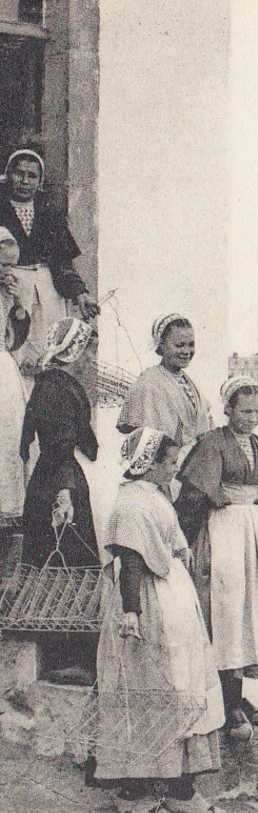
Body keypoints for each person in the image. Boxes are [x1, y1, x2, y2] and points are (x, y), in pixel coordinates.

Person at [90, 428, 225, 813]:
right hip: (149, 605)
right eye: (168, 463)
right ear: (146, 465)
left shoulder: (155, 495)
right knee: (150, 689)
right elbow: (130, 562)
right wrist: (131, 613)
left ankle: (181, 790)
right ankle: (135, 792)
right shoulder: (132, 504)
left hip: (172, 599)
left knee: (183, 688)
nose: (174, 469)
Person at [174, 378, 258, 739]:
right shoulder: (212, 444)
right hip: (221, 530)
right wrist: (184, 542)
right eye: (245, 410)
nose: (252, 418)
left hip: (252, 532)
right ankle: (225, 700)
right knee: (225, 612)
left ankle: (238, 697)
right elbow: (193, 498)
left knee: (253, 611)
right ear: (228, 409)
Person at [18, 317, 98, 684]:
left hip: (49, 480)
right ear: (76, 352)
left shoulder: (51, 384)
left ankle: (63, 653)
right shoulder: (57, 388)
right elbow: (62, 443)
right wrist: (65, 493)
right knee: (69, 564)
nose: (92, 359)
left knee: (59, 565)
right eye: (90, 350)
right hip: (60, 482)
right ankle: (68, 657)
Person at [0, 149, 95, 378]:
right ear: (8, 175)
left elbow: (62, 262)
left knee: (46, 351)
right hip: (9, 289)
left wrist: (80, 293)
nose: (24, 181)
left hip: (48, 293)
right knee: (14, 351)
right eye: (19, 173)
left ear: (39, 181)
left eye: (32, 176)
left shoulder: (49, 213)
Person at [116, 314, 213, 458]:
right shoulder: (148, 384)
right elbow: (143, 441)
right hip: (165, 469)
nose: (186, 351)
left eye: (191, 345)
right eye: (179, 345)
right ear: (162, 345)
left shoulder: (190, 383)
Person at [0, 229, 29, 517]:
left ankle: (7, 509)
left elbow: (17, 340)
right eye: (2, 264)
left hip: (3, 374)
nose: (7, 271)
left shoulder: (8, 292)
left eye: (11, 265)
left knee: (7, 439)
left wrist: (18, 306)